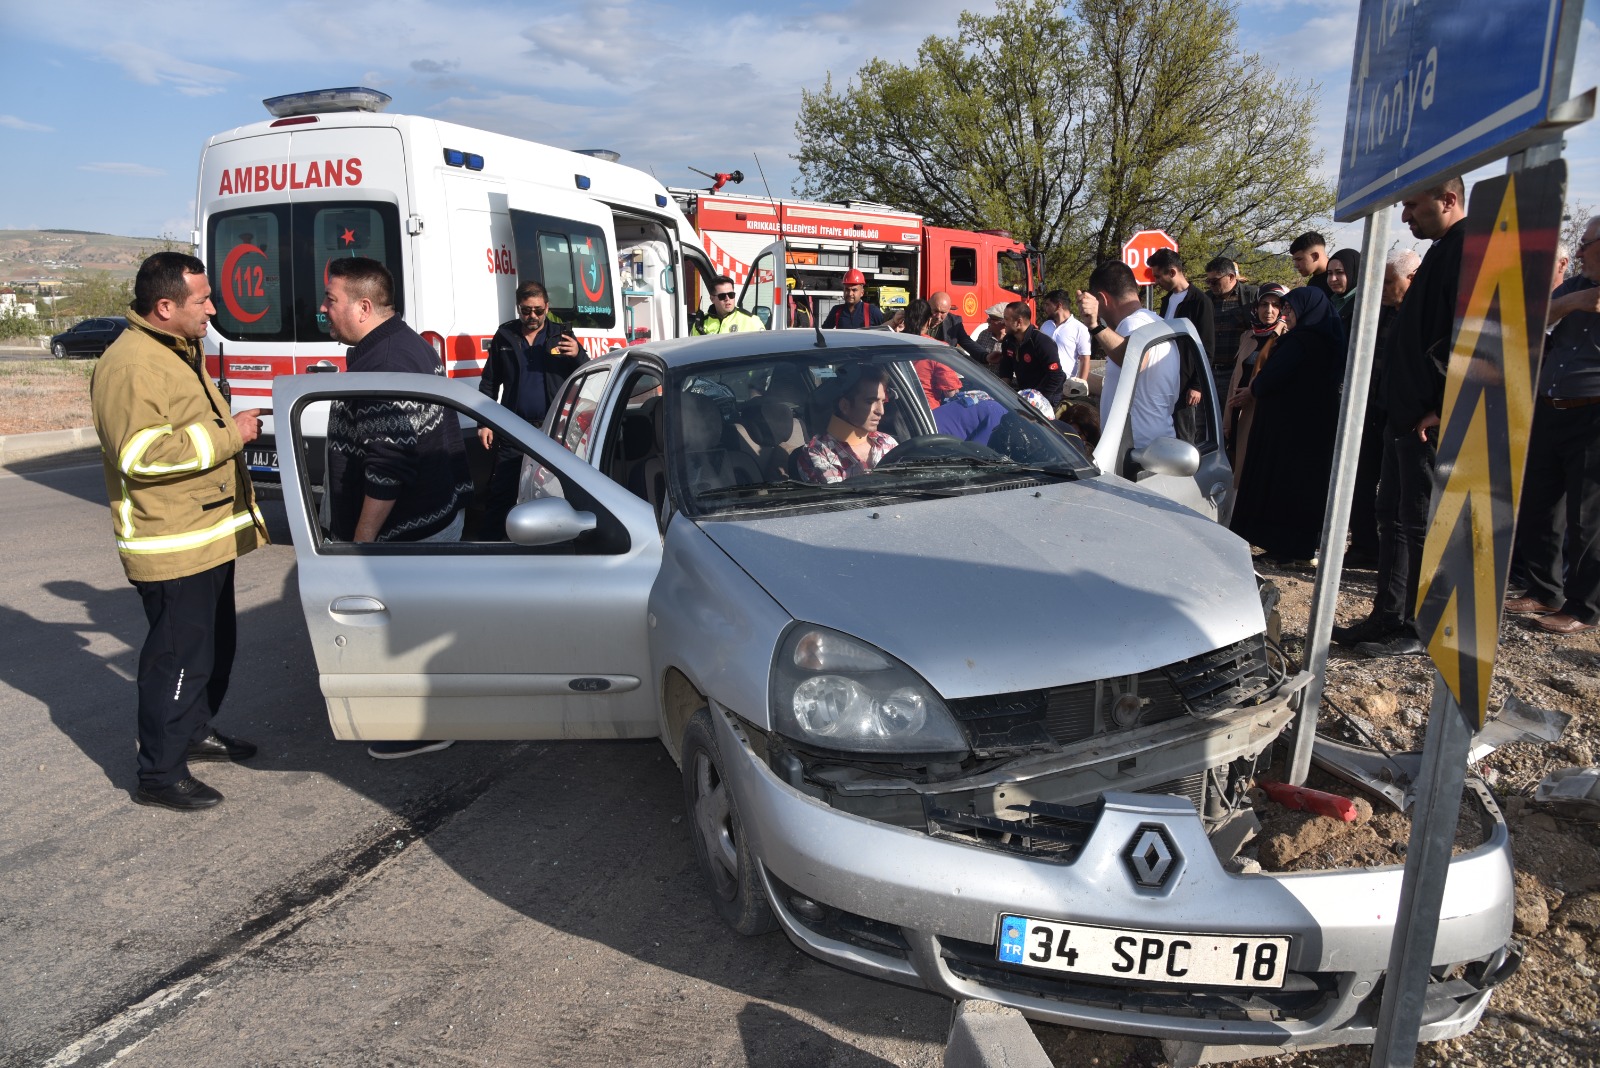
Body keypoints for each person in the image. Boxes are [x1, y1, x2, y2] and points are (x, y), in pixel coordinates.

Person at [90, 252, 267, 811]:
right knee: (178, 658)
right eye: (203, 300)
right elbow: (141, 456)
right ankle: (159, 774)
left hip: (205, 533)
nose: (213, 309)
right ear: (164, 307)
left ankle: (194, 733)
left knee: (212, 649)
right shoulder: (132, 365)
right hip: (174, 544)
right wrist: (232, 435)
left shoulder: (176, 349)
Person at [321, 256, 473, 756]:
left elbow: (388, 466)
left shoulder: (385, 360)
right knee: (421, 632)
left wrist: (362, 542)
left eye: (332, 300)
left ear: (363, 306)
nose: (325, 309)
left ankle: (417, 730)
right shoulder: (402, 345)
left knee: (406, 638)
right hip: (429, 521)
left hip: (405, 534)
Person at [1342, 177, 1469, 658]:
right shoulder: (1439, 250)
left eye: (1413, 206)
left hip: (1426, 418)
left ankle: (1419, 626)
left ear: (1448, 200)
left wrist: (1444, 405)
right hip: (1401, 414)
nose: (1405, 217)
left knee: (1419, 521)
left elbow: (1469, 335)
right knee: (1390, 517)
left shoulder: (1464, 251)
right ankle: (1388, 614)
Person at [1505, 217, 1600, 635]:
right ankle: (1545, 590)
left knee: (1587, 516)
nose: (1578, 253)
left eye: (1586, 244)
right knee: (1541, 501)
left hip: (1594, 413)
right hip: (1550, 408)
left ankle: (1584, 608)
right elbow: (1528, 320)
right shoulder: (1576, 287)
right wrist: (1571, 304)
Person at [1228, 288, 1347, 565]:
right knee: (1301, 488)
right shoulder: (1328, 338)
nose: (1286, 315)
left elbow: (1272, 377)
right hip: (1310, 429)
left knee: (1284, 485)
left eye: (1290, 310)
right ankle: (1296, 546)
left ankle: (1284, 546)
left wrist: (1256, 385)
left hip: (1290, 431)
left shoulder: (1301, 342)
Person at [477, 281, 585, 539]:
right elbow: (490, 381)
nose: (532, 316)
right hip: (514, 429)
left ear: (547, 307)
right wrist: (484, 422)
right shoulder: (505, 336)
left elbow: (584, 374)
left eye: (538, 310)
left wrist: (578, 355)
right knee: (502, 491)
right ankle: (491, 549)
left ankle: (555, 545)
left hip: (553, 430)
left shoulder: (562, 336)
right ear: (518, 308)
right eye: (526, 311)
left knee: (554, 492)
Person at [1347, 250, 1420, 568]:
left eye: (1389, 282)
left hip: (1404, 415)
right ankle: (1365, 546)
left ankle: (1397, 562)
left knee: (1400, 496)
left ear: (1411, 278)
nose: (1384, 289)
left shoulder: (1422, 315)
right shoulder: (1378, 311)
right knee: (1361, 482)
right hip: (1372, 408)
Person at [1224, 282, 1289, 490]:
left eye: (1275, 305)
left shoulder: (1286, 338)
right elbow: (1235, 377)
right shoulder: (1248, 335)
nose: (1268, 310)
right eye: (1263, 304)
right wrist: (1227, 418)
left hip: (1261, 411)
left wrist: (1252, 393)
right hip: (1238, 410)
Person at [795, 365, 899, 482]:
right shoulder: (817, 452)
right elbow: (840, 497)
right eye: (870, 402)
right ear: (845, 406)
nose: (881, 411)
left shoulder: (888, 442)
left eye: (883, 402)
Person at [1205, 256, 1260, 396]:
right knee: (1205, 417)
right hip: (1208, 371)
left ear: (1230, 277)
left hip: (1237, 372)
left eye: (1215, 281)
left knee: (1232, 416)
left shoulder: (1252, 296)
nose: (1211, 285)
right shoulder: (1206, 299)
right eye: (1208, 281)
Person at [998, 301, 1067, 407]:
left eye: (1006, 319)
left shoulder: (1042, 342)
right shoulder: (1008, 341)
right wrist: (1002, 392)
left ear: (1019, 322)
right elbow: (1006, 368)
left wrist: (1038, 399)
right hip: (1025, 394)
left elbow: (1056, 375)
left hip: (1048, 396)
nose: (1003, 322)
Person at [905, 299, 962, 407]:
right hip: (927, 411)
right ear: (929, 320)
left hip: (895, 409)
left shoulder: (892, 343)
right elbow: (951, 392)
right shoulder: (937, 348)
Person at [1038, 289, 1092, 380]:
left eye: (1047, 305)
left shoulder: (1079, 328)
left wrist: (1080, 385)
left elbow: (1085, 359)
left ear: (1059, 305)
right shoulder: (1045, 325)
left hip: (1065, 385)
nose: (1045, 308)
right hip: (1042, 382)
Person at [692, 275, 765, 334]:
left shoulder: (751, 320)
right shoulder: (700, 323)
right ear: (712, 299)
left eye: (731, 295)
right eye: (722, 296)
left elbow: (764, 348)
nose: (727, 299)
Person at [929, 290, 988, 361]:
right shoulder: (915, 319)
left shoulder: (954, 323)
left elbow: (967, 342)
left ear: (948, 310)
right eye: (935, 311)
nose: (938, 316)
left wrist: (986, 356)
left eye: (943, 312)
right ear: (928, 306)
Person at [1325, 248, 1363, 345]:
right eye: (1329, 273)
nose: (1333, 279)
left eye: (1339, 272)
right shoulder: (1332, 301)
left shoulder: (1362, 305)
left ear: (1354, 272)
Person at [1290, 231, 1334, 296]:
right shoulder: (1313, 283)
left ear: (1315, 256)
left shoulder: (1336, 281)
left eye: (1299, 259)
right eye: (1295, 260)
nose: (1296, 265)